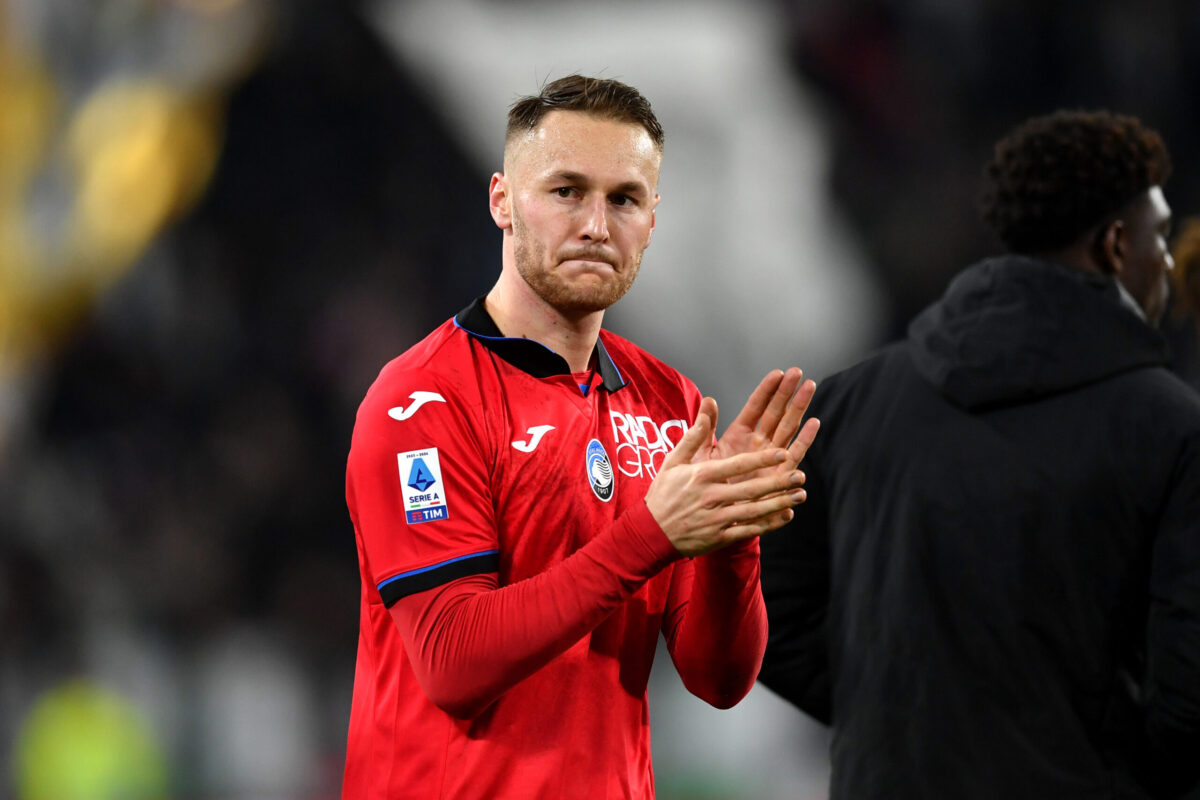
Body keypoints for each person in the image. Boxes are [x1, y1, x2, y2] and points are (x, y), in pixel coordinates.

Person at [341, 74, 820, 799]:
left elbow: (717, 679)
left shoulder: (669, 403)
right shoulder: (422, 401)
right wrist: (654, 532)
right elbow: (450, 660)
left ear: (653, 220)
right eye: (566, 191)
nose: (596, 225)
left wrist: (731, 541)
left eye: (624, 199)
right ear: (502, 200)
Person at [759, 109, 1200, 799]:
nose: (1170, 261)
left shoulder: (853, 401)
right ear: (1117, 245)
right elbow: (1187, 698)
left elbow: (763, 606)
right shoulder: (1171, 427)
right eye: (1160, 236)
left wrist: (896, 718)